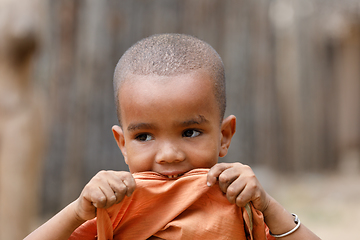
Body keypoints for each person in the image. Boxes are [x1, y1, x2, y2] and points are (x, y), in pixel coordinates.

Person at [25, 33, 320, 240]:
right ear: (122, 144)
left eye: (190, 132)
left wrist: (267, 206)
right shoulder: (119, 206)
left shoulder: (235, 202)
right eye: (144, 136)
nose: (168, 155)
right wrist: (77, 212)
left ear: (224, 136)